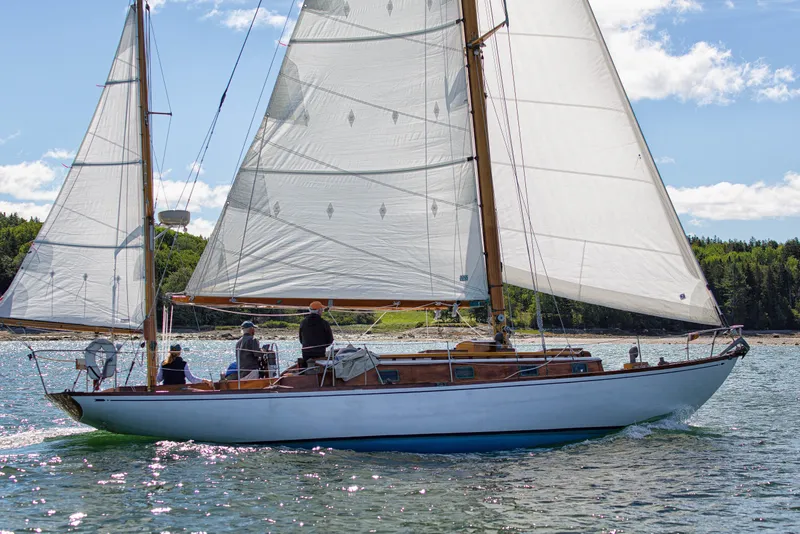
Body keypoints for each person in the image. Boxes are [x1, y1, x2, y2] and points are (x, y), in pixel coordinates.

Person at [298, 301, 334, 367]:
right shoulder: (324, 323)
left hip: (306, 354)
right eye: (322, 310)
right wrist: (322, 346)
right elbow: (330, 340)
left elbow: (301, 339)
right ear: (319, 311)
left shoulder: (303, 322)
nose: (322, 311)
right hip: (320, 353)